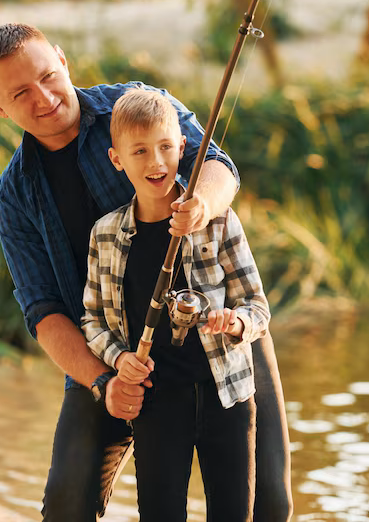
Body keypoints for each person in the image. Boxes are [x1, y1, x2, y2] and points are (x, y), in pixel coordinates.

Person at [0, 23, 292, 520]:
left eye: (48, 76)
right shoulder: (15, 194)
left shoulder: (134, 103)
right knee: (66, 505)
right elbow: (43, 311)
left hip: (220, 335)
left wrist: (201, 205)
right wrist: (105, 382)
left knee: (268, 501)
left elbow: (217, 165)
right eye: (20, 93)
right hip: (112, 355)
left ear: (62, 59)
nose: (45, 98)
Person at [82, 88, 269, 521]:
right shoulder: (104, 234)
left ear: (183, 147)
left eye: (166, 147)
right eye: (140, 151)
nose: (156, 162)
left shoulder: (219, 220)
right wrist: (120, 358)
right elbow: (92, 320)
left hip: (227, 397)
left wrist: (236, 323)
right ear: (116, 159)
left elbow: (257, 306)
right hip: (157, 404)